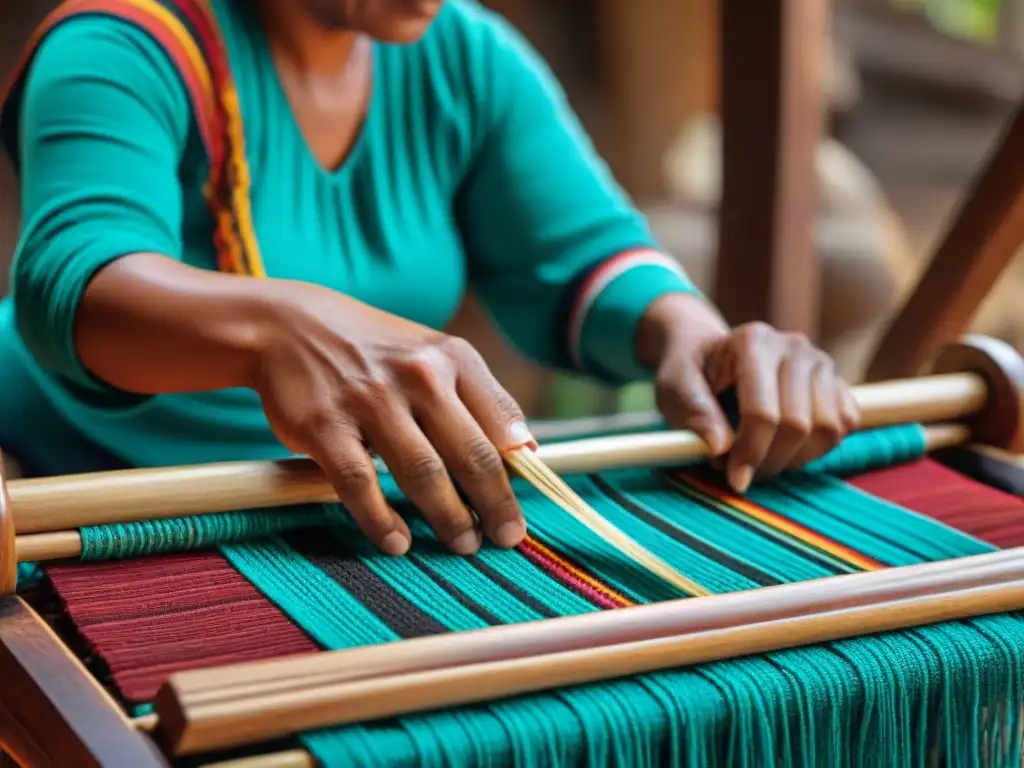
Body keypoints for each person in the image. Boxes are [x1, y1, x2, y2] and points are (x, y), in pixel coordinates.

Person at [0, 0, 859, 559]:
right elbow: (76, 287)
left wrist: (700, 343)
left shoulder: (466, 57)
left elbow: (588, 257)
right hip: (67, 498)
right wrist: (281, 328)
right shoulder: (121, 46)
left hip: (319, 517)